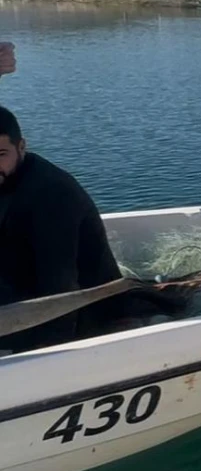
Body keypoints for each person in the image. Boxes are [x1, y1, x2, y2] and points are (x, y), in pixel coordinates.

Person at [0, 106, 124, 354]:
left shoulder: (52, 195)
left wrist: (47, 358)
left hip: (83, 314)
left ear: (21, 147)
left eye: (0, 153)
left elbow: (60, 287)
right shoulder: (8, 177)